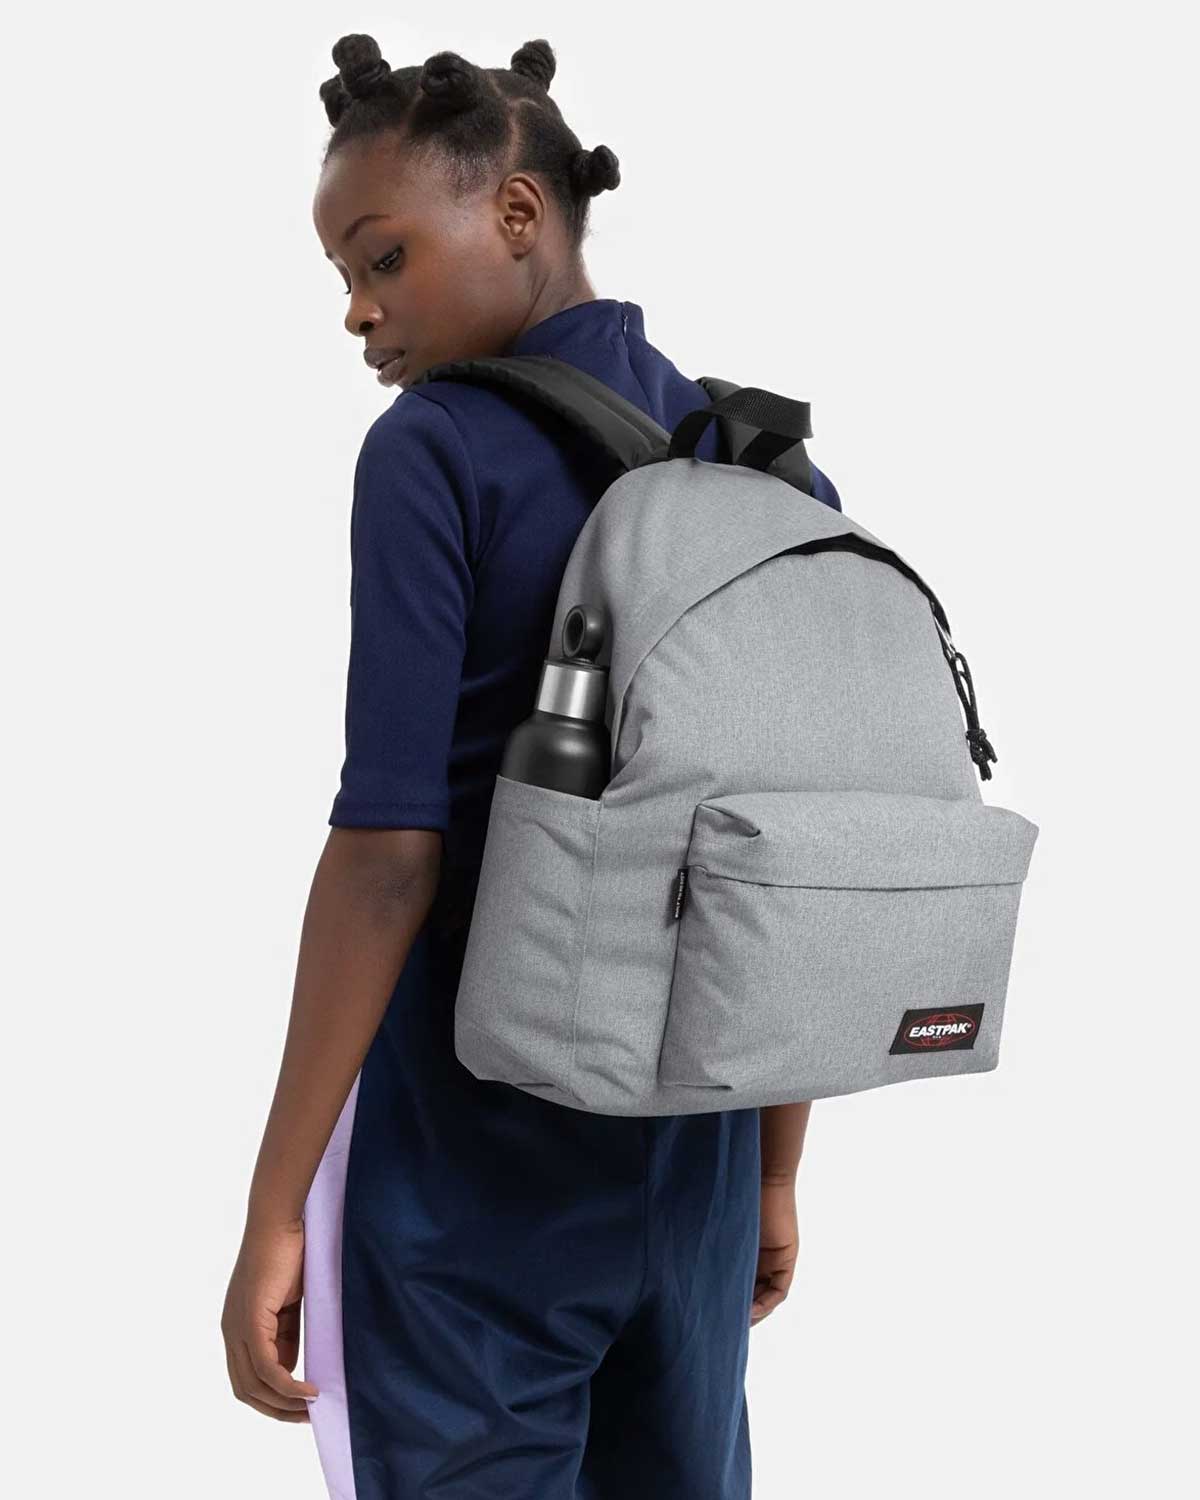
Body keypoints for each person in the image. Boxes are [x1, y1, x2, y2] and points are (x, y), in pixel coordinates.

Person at [221, 33, 837, 1500]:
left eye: (383, 258)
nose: (359, 310)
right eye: (343, 278)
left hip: (470, 1162)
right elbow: (789, 855)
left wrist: (273, 1206)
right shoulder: (768, 466)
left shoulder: (433, 448)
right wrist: (771, 1170)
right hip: (696, 1149)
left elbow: (390, 855)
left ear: (515, 213)